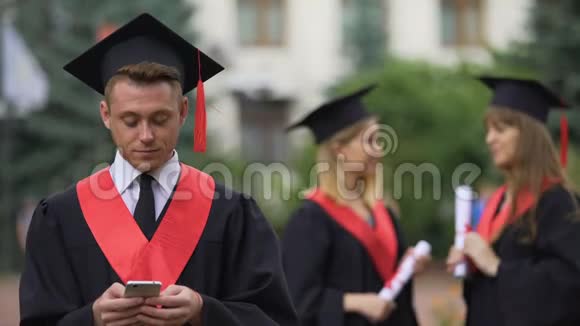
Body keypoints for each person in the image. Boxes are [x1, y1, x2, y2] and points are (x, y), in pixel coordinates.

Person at [19, 13, 297, 326]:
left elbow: (275, 319)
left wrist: (204, 310)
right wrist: (92, 318)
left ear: (183, 112)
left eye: (160, 119)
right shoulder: (61, 217)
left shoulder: (232, 213)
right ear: (106, 115)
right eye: (130, 120)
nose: (146, 135)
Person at [282, 85, 429, 326]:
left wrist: (408, 266)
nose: (379, 150)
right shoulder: (311, 219)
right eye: (370, 140)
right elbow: (297, 300)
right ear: (339, 149)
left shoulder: (383, 211)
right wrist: (354, 302)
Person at [446, 77, 580, 326]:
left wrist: (496, 266)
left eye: (500, 129)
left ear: (528, 135)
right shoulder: (498, 204)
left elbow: (569, 285)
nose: (489, 139)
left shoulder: (559, 204)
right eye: (488, 130)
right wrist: (471, 264)